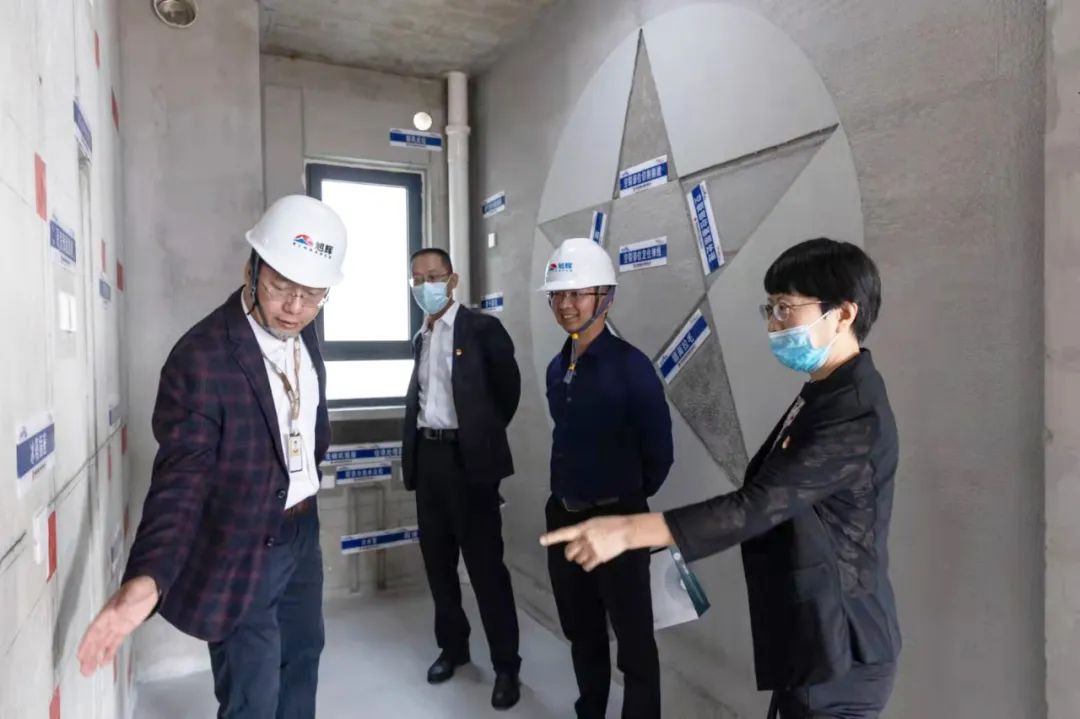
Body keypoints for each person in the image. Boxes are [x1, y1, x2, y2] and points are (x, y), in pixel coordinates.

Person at [542, 238, 901, 719]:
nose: (773, 324)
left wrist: (627, 528)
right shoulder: (824, 392)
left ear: (843, 314)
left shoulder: (853, 411)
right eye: (770, 309)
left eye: (785, 308)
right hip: (810, 633)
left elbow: (756, 504)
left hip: (842, 643)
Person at [76, 195, 348, 719]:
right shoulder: (201, 357)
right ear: (251, 269)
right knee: (252, 694)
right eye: (281, 286)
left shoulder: (306, 332)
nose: (294, 307)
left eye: (313, 294)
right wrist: (148, 577)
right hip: (244, 543)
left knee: (302, 663)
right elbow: (182, 480)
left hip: (302, 532)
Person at [540, 237, 673, 719]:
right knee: (582, 630)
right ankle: (590, 709)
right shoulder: (558, 366)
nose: (566, 304)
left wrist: (624, 499)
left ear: (606, 297)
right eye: (558, 294)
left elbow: (659, 454)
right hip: (565, 517)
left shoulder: (631, 368)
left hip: (620, 519)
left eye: (579, 293)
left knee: (634, 641)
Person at [402, 247, 523, 710]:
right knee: (438, 566)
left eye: (433, 276)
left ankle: (506, 666)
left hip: (469, 464)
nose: (425, 285)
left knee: (486, 570)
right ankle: (453, 649)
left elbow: (507, 393)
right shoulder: (422, 336)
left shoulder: (482, 330)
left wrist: (478, 436)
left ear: (452, 281)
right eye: (417, 278)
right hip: (428, 460)